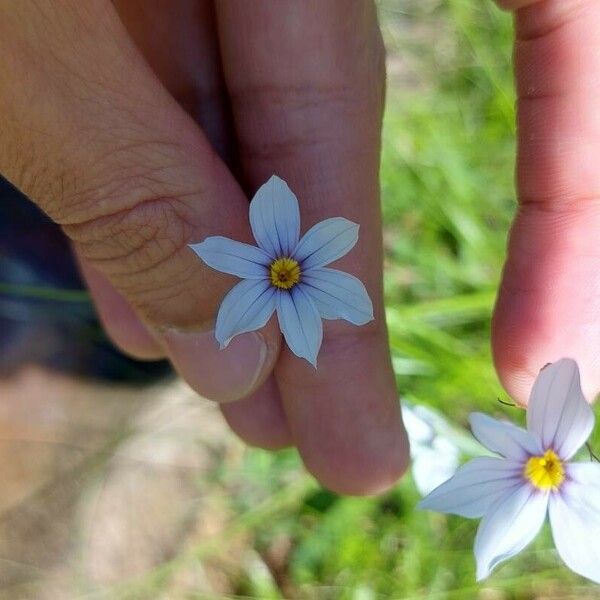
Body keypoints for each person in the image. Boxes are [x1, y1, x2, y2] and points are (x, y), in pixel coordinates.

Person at [0, 0, 596, 496]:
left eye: (287, 272)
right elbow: (232, 265)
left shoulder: (298, 271)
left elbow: (306, 275)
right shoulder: (276, 260)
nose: (285, 273)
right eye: (284, 272)